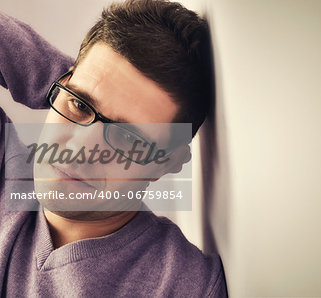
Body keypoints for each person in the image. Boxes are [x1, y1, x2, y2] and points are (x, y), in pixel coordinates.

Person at [0, 0, 227, 296]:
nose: (81, 148)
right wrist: (58, 87)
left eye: (128, 138)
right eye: (81, 105)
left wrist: (78, 93)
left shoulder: (183, 285)